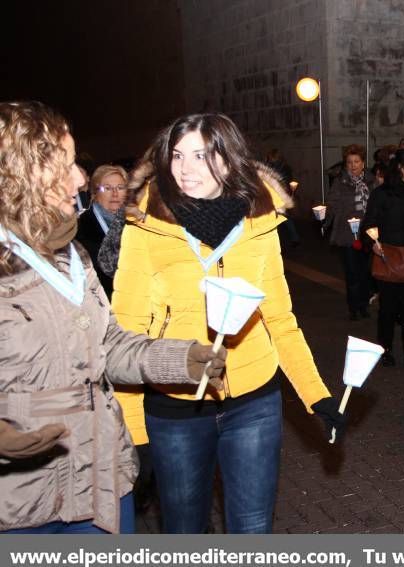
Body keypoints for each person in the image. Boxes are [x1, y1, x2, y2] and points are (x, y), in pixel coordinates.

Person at [111, 113, 345, 533]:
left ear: (228, 159)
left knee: (253, 528)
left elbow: (279, 319)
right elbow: (126, 331)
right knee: (184, 530)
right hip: (175, 404)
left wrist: (316, 396)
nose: (185, 169)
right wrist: (134, 433)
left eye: (201, 156)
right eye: (178, 156)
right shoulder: (146, 225)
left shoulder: (260, 222)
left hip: (254, 401)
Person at [0, 101, 225, 534]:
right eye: (65, 165)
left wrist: (180, 359)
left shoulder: (70, 255)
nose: (80, 178)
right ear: (20, 175)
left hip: (102, 480)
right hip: (21, 505)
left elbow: (107, 344)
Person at [363, 149, 404, 371]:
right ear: (401, 167)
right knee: (388, 309)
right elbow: (369, 223)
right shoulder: (382, 194)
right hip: (387, 258)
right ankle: (386, 350)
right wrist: (374, 244)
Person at [324, 144, 377, 320]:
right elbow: (332, 204)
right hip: (347, 235)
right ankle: (354, 307)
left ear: (363, 163)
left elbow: (379, 205)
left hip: (368, 234)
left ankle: (363, 304)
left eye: (356, 161)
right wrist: (324, 218)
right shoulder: (340, 182)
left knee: (365, 272)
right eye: (349, 162)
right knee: (352, 272)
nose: (353, 165)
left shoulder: (372, 181)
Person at [75, 164, 128, 297]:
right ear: (94, 192)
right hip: (104, 298)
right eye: (107, 188)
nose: (115, 193)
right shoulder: (80, 226)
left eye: (120, 188)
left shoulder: (137, 220)